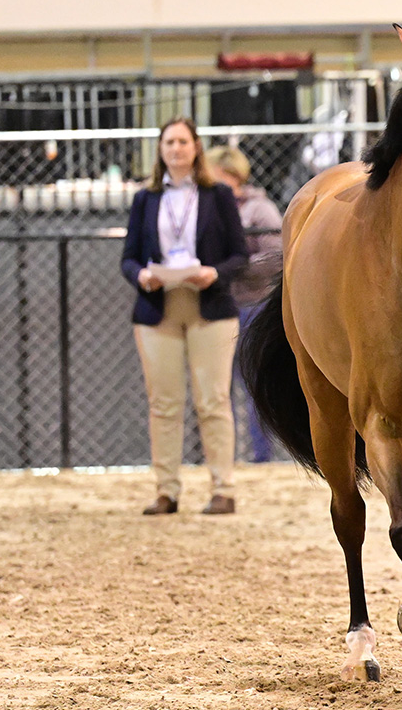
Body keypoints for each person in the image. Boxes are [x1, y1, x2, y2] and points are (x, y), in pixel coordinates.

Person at [121, 118, 248, 515]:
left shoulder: (218, 195)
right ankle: (167, 490)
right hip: (159, 308)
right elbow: (128, 257)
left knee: (213, 400)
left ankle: (223, 489)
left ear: (196, 147)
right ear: (160, 150)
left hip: (209, 307)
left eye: (182, 141)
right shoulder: (145, 199)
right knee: (164, 404)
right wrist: (141, 275)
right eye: (168, 142)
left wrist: (214, 272)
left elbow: (240, 256)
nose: (175, 149)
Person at [204, 146, 283, 463]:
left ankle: (260, 456)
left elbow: (276, 256)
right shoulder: (210, 206)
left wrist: (235, 266)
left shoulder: (259, 209)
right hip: (219, 305)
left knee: (253, 386)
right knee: (218, 385)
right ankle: (225, 455)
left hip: (253, 304)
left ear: (231, 175)